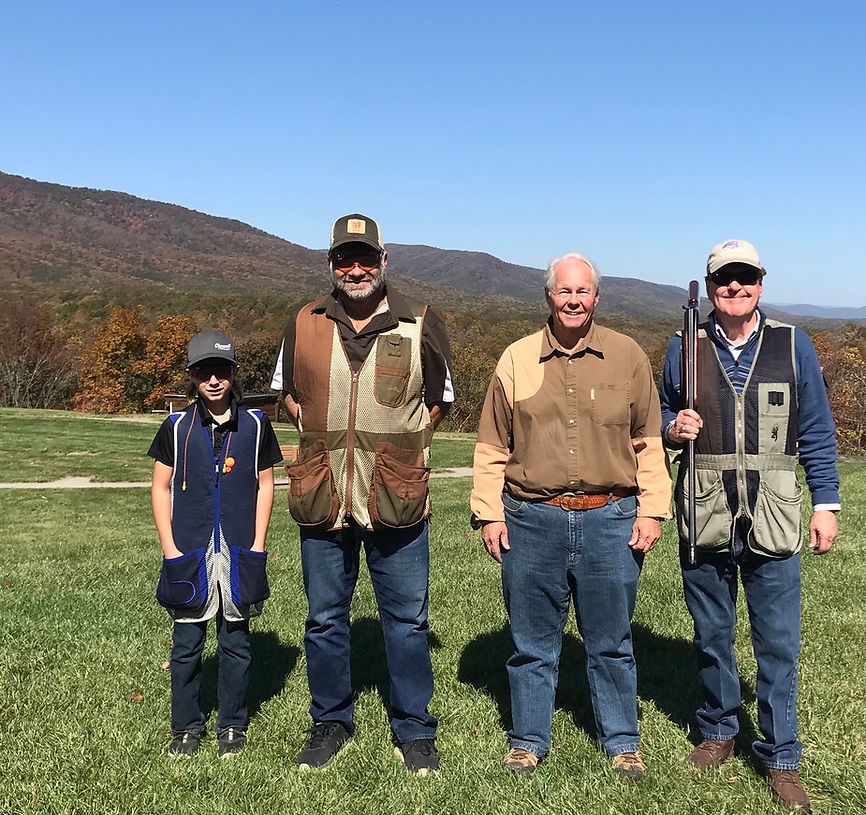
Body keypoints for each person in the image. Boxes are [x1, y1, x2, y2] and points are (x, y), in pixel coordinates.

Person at [471, 252, 671, 778]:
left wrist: (652, 510)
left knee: (611, 640)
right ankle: (528, 740)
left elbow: (649, 441)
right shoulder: (515, 360)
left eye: (583, 292)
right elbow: (492, 445)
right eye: (564, 291)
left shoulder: (627, 356)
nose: (574, 300)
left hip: (611, 517)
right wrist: (490, 514)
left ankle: (622, 740)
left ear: (596, 298)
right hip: (531, 519)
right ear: (548, 297)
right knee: (532, 643)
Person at [659, 239, 840, 813]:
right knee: (713, 635)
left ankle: (780, 754)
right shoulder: (684, 346)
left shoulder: (793, 345)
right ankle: (718, 730)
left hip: (776, 514)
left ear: (761, 282)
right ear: (709, 287)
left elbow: (814, 427)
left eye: (745, 277)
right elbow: (657, 412)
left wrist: (826, 503)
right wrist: (672, 427)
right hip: (705, 511)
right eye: (723, 279)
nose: (734, 288)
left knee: (778, 644)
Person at [271, 213, 454, 775]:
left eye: (365, 258)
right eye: (345, 259)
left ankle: (414, 730)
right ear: (331, 264)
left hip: (394, 494)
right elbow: (287, 395)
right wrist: (324, 442)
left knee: (407, 620)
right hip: (323, 493)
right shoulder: (303, 321)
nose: (356, 269)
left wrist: (403, 449)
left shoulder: (420, 322)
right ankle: (329, 722)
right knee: (324, 618)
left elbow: (440, 400)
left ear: (383, 262)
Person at [149, 330, 283, 758]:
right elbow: (159, 487)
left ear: (234, 374)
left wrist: (259, 542)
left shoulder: (257, 425)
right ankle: (186, 727)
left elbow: (266, 484)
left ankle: (232, 726)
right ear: (192, 375)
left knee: (236, 643)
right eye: (204, 371)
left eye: (221, 370)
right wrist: (170, 549)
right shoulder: (176, 427)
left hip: (240, 550)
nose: (213, 380)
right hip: (189, 552)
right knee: (187, 646)